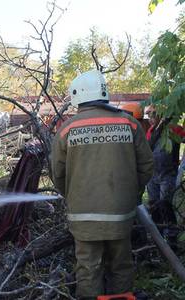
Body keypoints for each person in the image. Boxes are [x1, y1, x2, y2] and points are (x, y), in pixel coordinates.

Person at [51, 70, 154, 299]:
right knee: (121, 266)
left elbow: (57, 174)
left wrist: (72, 195)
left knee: (88, 269)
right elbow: (147, 166)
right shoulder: (130, 124)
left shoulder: (67, 129)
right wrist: (131, 192)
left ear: (77, 95)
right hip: (121, 213)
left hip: (83, 216)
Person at [144, 105, 184, 226]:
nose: (151, 118)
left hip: (167, 175)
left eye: (153, 114)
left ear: (161, 114)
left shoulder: (173, 128)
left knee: (165, 205)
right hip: (152, 175)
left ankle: (171, 236)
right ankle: (158, 235)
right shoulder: (151, 131)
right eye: (148, 115)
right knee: (154, 205)